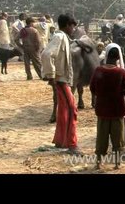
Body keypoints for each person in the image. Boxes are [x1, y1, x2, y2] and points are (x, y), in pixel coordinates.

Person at [41, 14, 81, 155]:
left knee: (63, 110)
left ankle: (60, 141)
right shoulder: (60, 37)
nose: (73, 29)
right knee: (72, 110)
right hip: (61, 80)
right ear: (67, 25)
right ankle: (71, 144)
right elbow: (46, 54)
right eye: (72, 26)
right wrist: (51, 75)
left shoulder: (63, 37)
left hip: (62, 79)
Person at [90, 43, 125, 169]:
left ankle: (98, 162)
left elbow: (93, 88)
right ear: (118, 57)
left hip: (102, 109)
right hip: (117, 109)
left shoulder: (98, 71)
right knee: (118, 137)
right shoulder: (121, 72)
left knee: (101, 136)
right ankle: (117, 163)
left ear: (107, 54)